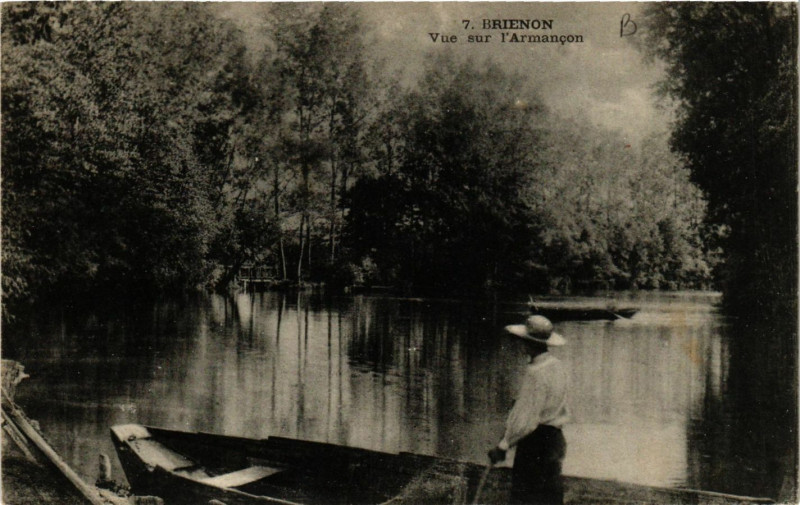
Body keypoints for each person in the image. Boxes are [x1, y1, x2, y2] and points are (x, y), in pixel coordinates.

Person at [488, 315, 569, 505]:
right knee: (550, 497)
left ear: (527, 344)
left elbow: (528, 420)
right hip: (555, 441)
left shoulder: (535, 373)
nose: (520, 345)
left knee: (525, 498)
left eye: (522, 342)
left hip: (535, 445)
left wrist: (503, 445)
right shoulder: (558, 366)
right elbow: (552, 404)